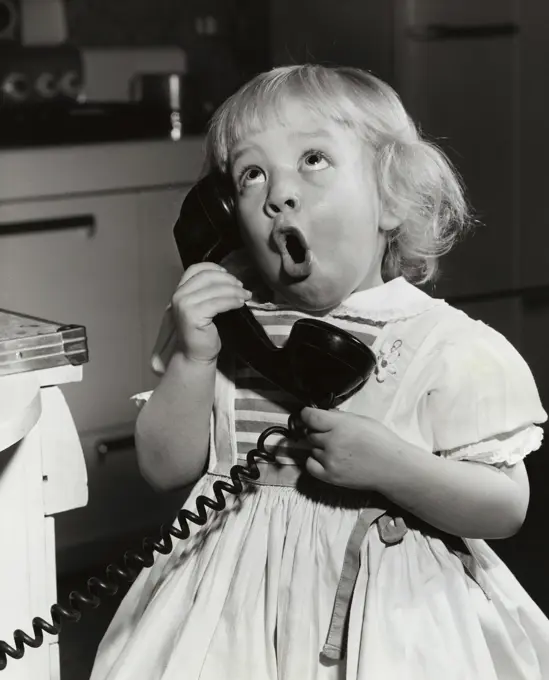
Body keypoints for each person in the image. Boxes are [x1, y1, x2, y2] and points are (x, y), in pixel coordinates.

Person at [90, 64, 549, 680]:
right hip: (230, 618)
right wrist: (194, 359)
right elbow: (164, 468)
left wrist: (394, 467)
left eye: (313, 160)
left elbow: (505, 506)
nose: (279, 192)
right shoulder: (220, 330)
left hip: (388, 627)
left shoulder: (442, 347)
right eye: (252, 174)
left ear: (390, 200)